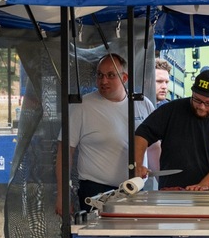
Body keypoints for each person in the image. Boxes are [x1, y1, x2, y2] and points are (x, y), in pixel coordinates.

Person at [55, 53, 159, 215]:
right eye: (100, 75)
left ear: (125, 78)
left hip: (136, 189)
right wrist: (63, 196)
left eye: (111, 75)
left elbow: (154, 149)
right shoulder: (81, 106)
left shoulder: (143, 104)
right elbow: (65, 154)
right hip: (96, 192)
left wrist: (165, 184)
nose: (103, 81)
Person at [133, 69, 209, 191]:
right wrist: (138, 164)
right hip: (171, 192)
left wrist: (203, 185)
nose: (201, 107)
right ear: (192, 91)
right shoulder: (171, 110)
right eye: (197, 100)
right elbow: (142, 134)